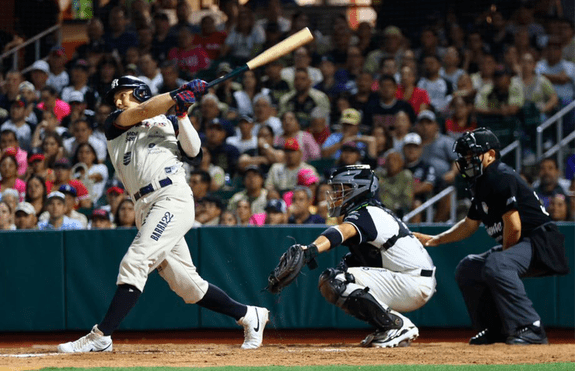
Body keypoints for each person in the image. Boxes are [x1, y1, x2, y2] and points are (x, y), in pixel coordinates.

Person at [57, 76, 268, 353]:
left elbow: (194, 151)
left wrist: (181, 114)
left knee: (135, 261)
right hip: (143, 205)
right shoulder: (116, 122)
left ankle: (102, 335)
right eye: (115, 97)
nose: (118, 101)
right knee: (187, 286)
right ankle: (250, 315)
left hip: (172, 197)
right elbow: (145, 111)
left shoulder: (168, 121)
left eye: (123, 94)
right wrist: (178, 93)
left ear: (141, 91)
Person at [414, 128, 569, 345]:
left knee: (497, 263)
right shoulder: (481, 181)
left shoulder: (499, 175)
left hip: (541, 241)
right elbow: (469, 224)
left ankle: (530, 327)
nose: (467, 160)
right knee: (469, 268)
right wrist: (437, 239)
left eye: (472, 155)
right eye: (465, 156)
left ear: (491, 155)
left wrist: (504, 258)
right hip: (526, 244)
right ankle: (496, 329)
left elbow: (514, 227)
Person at [287, 164, 435, 347]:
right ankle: (388, 326)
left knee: (336, 280)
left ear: (359, 189)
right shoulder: (371, 211)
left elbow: (340, 231)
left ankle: (396, 325)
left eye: (342, 189)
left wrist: (311, 249)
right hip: (408, 279)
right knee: (345, 267)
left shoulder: (367, 212)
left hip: (412, 281)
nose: (336, 195)